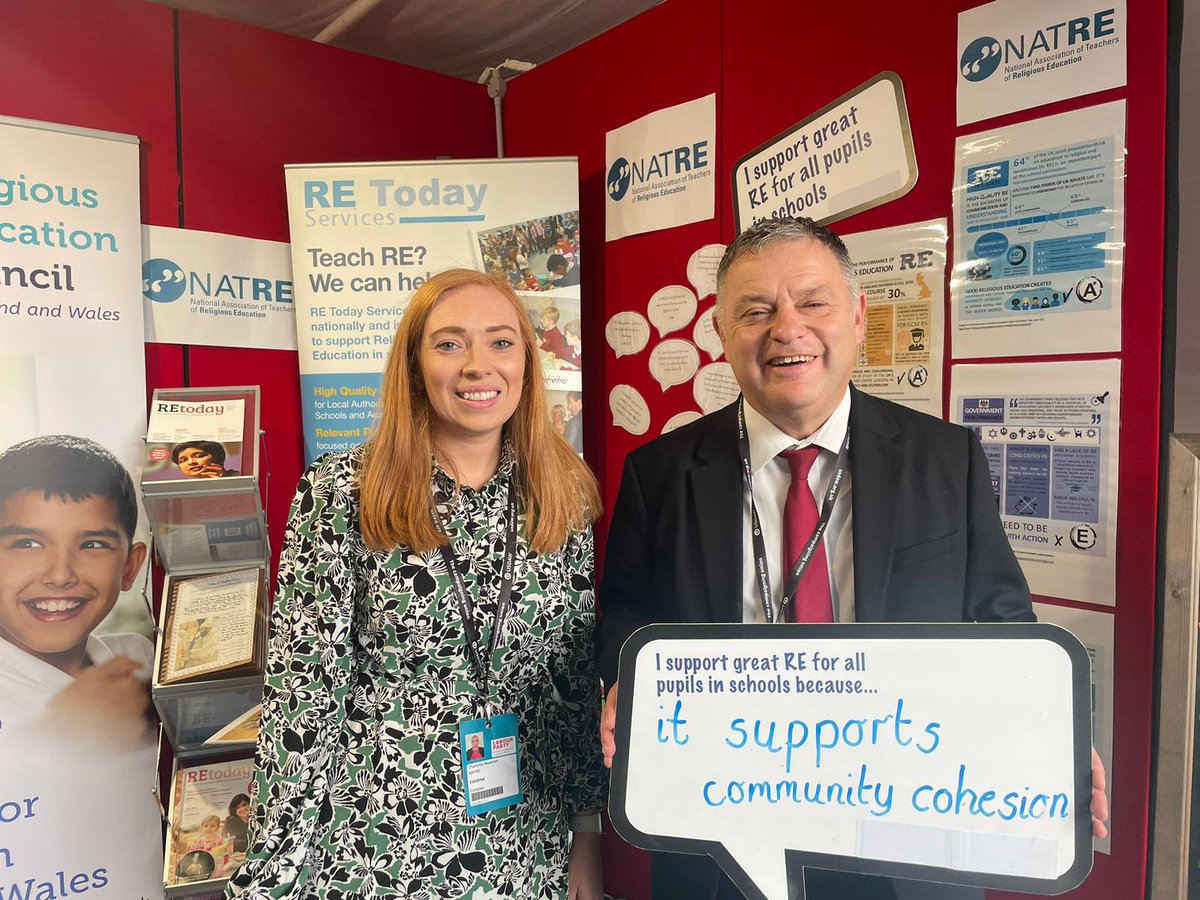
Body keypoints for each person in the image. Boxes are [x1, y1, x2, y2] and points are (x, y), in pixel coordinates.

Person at [594, 217, 1108, 900]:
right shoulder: (658, 474)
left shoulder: (943, 458)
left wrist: (1052, 732)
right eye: (755, 311)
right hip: (722, 829)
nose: (787, 328)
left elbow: (1001, 621)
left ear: (859, 317)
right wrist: (630, 676)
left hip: (907, 836)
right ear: (723, 335)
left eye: (812, 301)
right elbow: (626, 609)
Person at [229, 269, 605, 899]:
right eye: (450, 343)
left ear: (528, 364)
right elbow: (304, 697)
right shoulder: (345, 492)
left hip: (528, 846)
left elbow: (572, 689)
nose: (478, 366)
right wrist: (272, 875)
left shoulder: (561, 492)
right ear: (414, 365)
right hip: (376, 845)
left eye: (501, 343)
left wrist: (586, 844)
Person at [0, 434, 152, 747]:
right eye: (27, 544)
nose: (60, 575)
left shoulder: (141, 659)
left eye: (92, 545)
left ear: (130, 567)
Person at [171, 440, 238, 478]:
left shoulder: (241, 477)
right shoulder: (187, 491)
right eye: (183, 460)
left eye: (199, 456)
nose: (191, 462)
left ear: (218, 457)